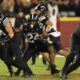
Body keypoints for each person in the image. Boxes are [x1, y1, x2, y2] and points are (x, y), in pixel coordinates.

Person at [0, 0, 33, 77]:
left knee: (17, 58)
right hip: (5, 40)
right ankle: (21, 71)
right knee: (6, 59)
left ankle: (28, 72)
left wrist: (3, 40)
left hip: (13, 39)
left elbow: (11, 33)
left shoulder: (3, 19)